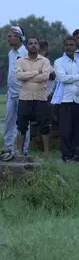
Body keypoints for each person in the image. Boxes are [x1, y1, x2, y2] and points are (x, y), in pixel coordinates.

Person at [51, 36, 79, 162]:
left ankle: (76, 155)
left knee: (78, 130)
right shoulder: (58, 62)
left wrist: (73, 79)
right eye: (67, 44)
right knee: (65, 130)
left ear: (75, 47)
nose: (69, 47)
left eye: (72, 44)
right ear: (64, 46)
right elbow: (62, 78)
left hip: (78, 101)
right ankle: (66, 156)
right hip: (64, 101)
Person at [14, 36, 52, 158]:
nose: (33, 45)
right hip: (25, 98)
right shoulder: (20, 61)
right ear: (27, 46)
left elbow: (46, 76)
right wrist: (36, 73)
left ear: (39, 46)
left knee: (44, 126)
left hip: (41, 98)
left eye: (36, 43)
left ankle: (46, 152)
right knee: (22, 126)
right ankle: (20, 152)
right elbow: (19, 76)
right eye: (30, 43)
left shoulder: (45, 61)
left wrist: (28, 77)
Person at [1, 26, 28, 160]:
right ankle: (8, 147)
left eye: (10, 36)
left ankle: (24, 149)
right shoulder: (11, 53)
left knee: (22, 122)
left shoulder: (25, 53)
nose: (8, 38)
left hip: (23, 92)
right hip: (11, 92)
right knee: (9, 120)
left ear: (18, 37)